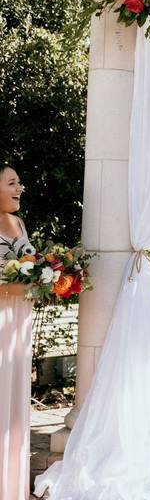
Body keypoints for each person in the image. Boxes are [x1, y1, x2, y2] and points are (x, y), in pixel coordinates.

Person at [0, 164, 33, 500]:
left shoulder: (20, 223)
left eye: (19, 183)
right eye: (11, 183)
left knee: (13, 400)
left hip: (19, 319)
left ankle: (11, 487)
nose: (19, 188)